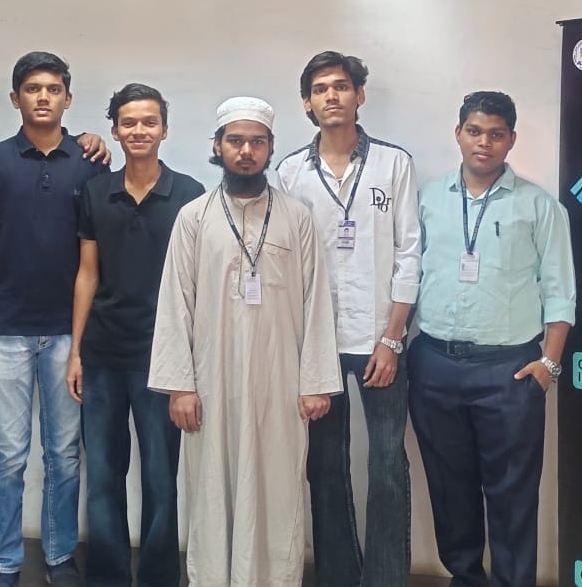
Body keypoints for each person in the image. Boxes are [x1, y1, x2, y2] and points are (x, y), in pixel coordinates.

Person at [148, 96, 340, 587]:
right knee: (211, 488)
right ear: (217, 146)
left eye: (257, 141)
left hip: (280, 383)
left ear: (271, 147)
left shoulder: (296, 217)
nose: (246, 151)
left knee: (278, 488)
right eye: (235, 141)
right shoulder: (194, 217)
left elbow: (317, 301)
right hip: (210, 383)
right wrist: (180, 386)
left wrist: (316, 382)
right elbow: (175, 303)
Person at [408, 91, 575, 587]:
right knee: (449, 489)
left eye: (496, 134)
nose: (484, 142)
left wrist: (549, 364)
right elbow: (407, 276)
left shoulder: (539, 206)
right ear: (458, 134)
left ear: (511, 140)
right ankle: (465, 578)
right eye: (475, 131)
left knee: (512, 496)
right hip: (434, 365)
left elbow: (560, 292)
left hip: (510, 372)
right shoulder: (427, 199)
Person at [0, 52, 106, 587]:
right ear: (15, 97)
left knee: (64, 455)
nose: (43, 97)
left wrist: (83, 344)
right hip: (4, 330)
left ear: (68, 98)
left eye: (53, 89)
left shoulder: (90, 161)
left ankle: (60, 556)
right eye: (32, 88)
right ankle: (4, 562)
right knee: (7, 456)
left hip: (69, 332)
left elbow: (95, 256)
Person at [276, 51, 419, 587]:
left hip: (382, 340)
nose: (330, 96)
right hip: (317, 343)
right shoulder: (290, 172)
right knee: (324, 466)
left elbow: (410, 253)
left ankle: (386, 578)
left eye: (340, 86)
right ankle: (338, 574)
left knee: (386, 465)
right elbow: (285, 262)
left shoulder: (393, 164)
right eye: (319, 89)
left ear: (359, 95)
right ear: (307, 103)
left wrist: (392, 339)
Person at [66, 84, 204, 587]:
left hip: (164, 359)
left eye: (149, 122)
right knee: (104, 475)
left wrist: (191, 363)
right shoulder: (95, 192)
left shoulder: (190, 195)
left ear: (164, 130)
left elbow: (197, 285)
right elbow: (87, 274)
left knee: (160, 477)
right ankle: (107, 576)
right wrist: (76, 352)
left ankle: (159, 577)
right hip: (103, 354)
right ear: (115, 130)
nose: (139, 130)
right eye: (129, 122)